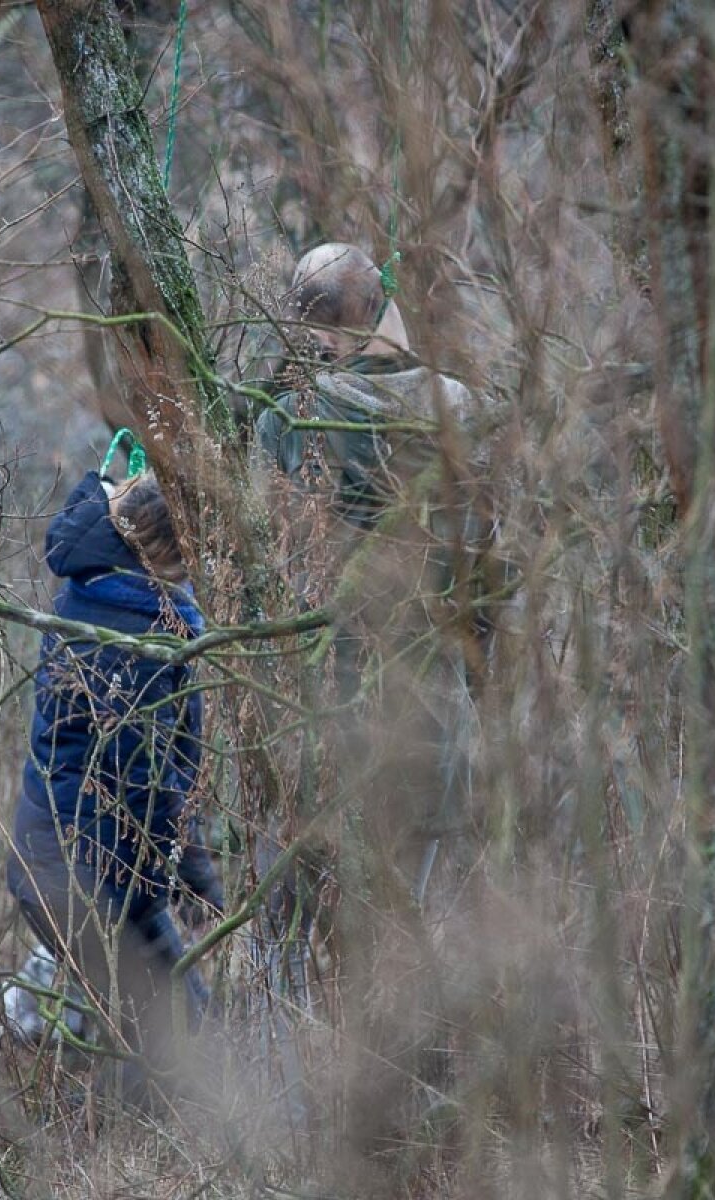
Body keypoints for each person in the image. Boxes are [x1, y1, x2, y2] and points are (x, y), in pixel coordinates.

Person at [254, 242, 485, 1175]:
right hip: (432, 706)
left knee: (305, 919)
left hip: (323, 709)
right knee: (420, 914)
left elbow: (267, 547)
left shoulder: (288, 419)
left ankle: (314, 1123)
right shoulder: (455, 408)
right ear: (378, 310)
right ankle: (422, 1124)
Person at [6, 467, 224, 1104]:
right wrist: (182, 878)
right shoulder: (139, 639)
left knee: (168, 1032)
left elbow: (158, 775)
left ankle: (105, 1136)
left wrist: (191, 870)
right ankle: (107, 1154)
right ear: (159, 551)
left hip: (68, 864)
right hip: (82, 882)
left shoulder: (96, 591)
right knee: (177, 1036)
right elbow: (147, 784)